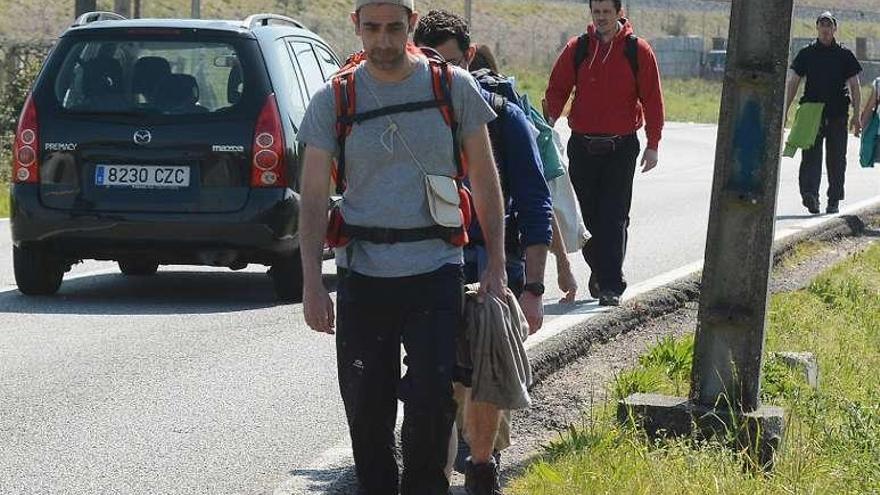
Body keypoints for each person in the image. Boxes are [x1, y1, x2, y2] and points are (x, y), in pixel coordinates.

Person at [297, 1, 507, 494]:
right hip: (363, 275)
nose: (383, 41)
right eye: (372, 29)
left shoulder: (452, 87)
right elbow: (311, 199)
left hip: (435, 269)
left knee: (432, 405)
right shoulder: (334, 100)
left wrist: (495, 259)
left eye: (395, 28)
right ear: (356, 27)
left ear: (412, 25)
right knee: (368, 413)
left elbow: (484, 174)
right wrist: (311, 281)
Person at [414, 10, 553, 494]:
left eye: (454, 63)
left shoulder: (503, 115)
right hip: (427, 266)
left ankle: (481, 465)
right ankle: (458, 458)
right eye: (435, 63)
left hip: (491, 266)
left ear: (470, 57)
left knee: (483, 372)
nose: (447, 75)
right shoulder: (410, 115)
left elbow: (536, 202)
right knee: (441, 380)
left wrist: (533, 288)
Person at [545, 0, 664, 307]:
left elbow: (652, 100)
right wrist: (545, 127)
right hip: (583, 146)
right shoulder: (578, 49)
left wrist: (653, 144)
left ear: (618, 13)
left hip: (620, 148)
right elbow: (557, 89)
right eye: (596, 12)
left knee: (613, 216)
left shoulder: (637, 51)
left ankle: (611, 284)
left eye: (606, 13)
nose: (601, 18)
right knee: (586, 219)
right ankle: (600, 272)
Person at [784, 11, 862, 215]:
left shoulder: (844, 55)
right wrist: (785, 110)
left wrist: (857, 115)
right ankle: (810, 196)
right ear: (817, 28)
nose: (826, 29)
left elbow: (855, 85)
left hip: (837, 113)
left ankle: (833, 199)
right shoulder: (807, 53)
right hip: (812, 113)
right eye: (822, 25)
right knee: (810, 156)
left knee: (837, 159)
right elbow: (794, 82)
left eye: (829, 25)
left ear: (835, 29)